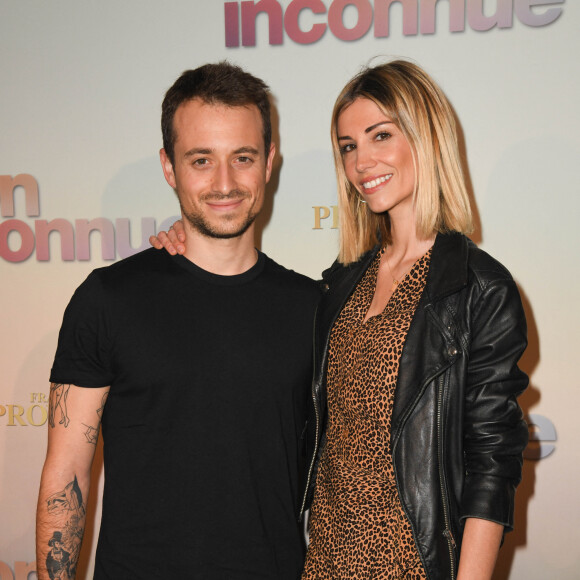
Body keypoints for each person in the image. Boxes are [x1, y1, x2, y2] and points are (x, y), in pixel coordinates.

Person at [154, 60, 529, 580]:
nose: (361, 162)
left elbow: (493, 459)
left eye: (380, 136)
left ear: (426, 137)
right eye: (349, 146)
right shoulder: (342, 283)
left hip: (410, 565)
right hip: (323, 560)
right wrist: (186, 237)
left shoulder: (478, 289)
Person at [36, 62, 320, 579]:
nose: (225, 182)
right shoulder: (107, 299)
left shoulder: (314, 307)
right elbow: (67, 472)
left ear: (269, 162)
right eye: (201, 160)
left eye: (243, 157)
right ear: (169, 167)